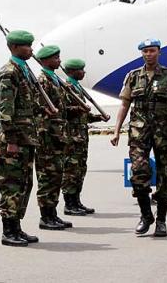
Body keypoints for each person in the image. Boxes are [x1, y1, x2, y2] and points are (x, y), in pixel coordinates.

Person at [111, 38, 167, 237]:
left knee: (165, 176)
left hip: (164, 132)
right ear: (142, 53)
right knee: (138, 172)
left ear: (159, 52)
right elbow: (124, 104)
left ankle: (161, 220)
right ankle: (146, 215)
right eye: (145, 51)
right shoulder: (133, 76)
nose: (149, 54)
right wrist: (116, 130)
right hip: (139, 132)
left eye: (152, 51)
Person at [0, 30, 39, 246]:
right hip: (14, 140)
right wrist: (11, 139)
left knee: (24, 184)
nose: (31, 49)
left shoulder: (24, 71)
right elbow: (5, 110)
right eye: (27, 46)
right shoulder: (9, 72)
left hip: (26, 138)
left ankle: (17, 228)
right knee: (11, 186)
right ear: (14, 48)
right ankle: (7, 232)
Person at [62, 58, 109, 216]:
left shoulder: (77, 87)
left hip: (81, 137)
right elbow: (63, 111)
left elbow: (83, 116)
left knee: (80, 170)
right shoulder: (66, 88)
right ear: (72, 71)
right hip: (71, 137)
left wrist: (97, 117)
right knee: (71, 171)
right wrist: (79, 107)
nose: (83, 72)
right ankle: (69, 204)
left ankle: (76, 201)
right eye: (81, 70)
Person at [35, 45, 72, 230]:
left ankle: (53, 214)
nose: (59, 61)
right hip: (47, 136)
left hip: (58, 135)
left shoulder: (55, 79)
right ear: (46, 60)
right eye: (56, 58)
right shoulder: (42, 81)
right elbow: (39, 109)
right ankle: (45, 216)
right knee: (46, 177)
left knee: (56, 176)